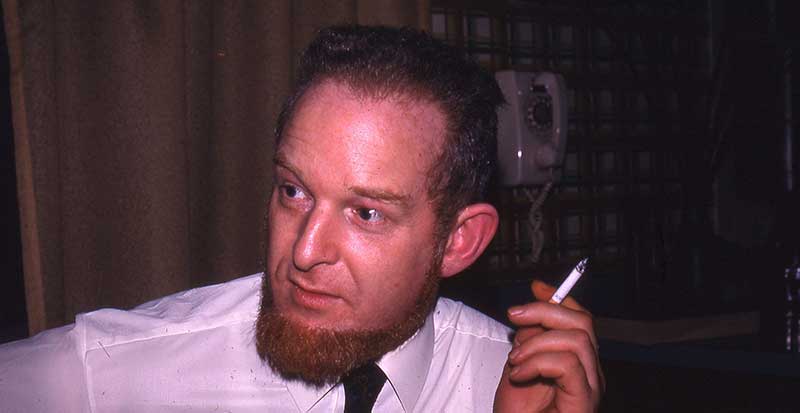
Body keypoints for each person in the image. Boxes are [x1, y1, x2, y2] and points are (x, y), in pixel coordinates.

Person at [0, 25, 603, 412]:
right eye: (293, 191)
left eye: (366, 212)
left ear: (458, 241)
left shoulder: (517, 387)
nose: (305, 250)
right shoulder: (110, 371)